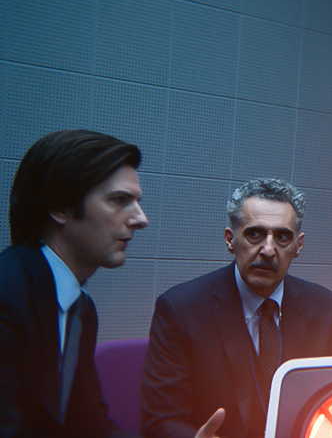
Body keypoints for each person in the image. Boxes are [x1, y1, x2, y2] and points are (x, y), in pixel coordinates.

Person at [0, 130, 224, 438]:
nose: (141, 219)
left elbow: (92, 428)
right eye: (120, 200)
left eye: (137, 202)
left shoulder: (81, 309)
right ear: (59, 206)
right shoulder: (6, 295)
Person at [141, 178, 332, 438]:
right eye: (254, 234)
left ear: (299, 245)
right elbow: (160, 421)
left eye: (282, 237)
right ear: (230, 240)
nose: (268, 250)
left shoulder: (325, 308)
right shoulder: (180, 309)